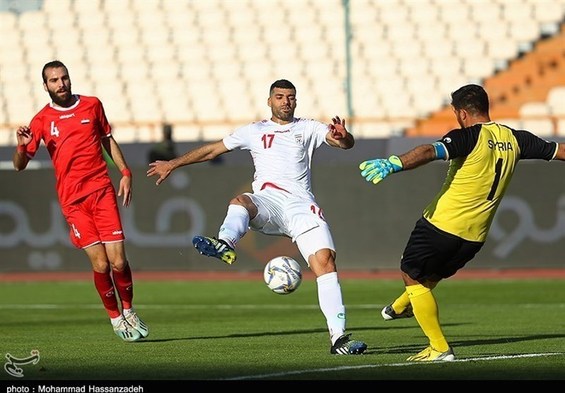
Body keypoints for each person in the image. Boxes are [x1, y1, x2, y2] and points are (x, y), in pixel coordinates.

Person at [147, 79, 367, 355]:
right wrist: (173, 163)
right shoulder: (254, 131)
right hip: (269, 202)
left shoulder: (308, 127)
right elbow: (214, 149)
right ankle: (225, 243)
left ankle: (339, 339)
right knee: (241, 201)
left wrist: (343, 136)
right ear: (269, 101)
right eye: (280, 97)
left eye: (290, 97)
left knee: (326, 262)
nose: (286, 101)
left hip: (301, 206)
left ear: (295, 101)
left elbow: (343, 143)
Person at [358, 84, 565, 362]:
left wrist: (395, 162)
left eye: (455, 112)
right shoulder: (517, 138)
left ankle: (439, 347)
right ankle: (400, 307)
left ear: (462, 112)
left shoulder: (467, 137)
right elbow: (560, 151)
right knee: (430, 277)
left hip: (441, 224)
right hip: (475, 237)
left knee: (410, 273)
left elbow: (429, 151)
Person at [13, 60, 148, 342]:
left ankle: (129, 309)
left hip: (101, 191)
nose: (60, 84)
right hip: (73, 202)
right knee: (100, 264)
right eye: (54, 80)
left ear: (69, 79)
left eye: (64, 78)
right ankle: (115, 319)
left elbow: (107, 139)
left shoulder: (92, 105)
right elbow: (20, 165)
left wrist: (125, 172)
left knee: (119, 261)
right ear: (45, 86)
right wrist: (20, 146)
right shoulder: (41, 120)